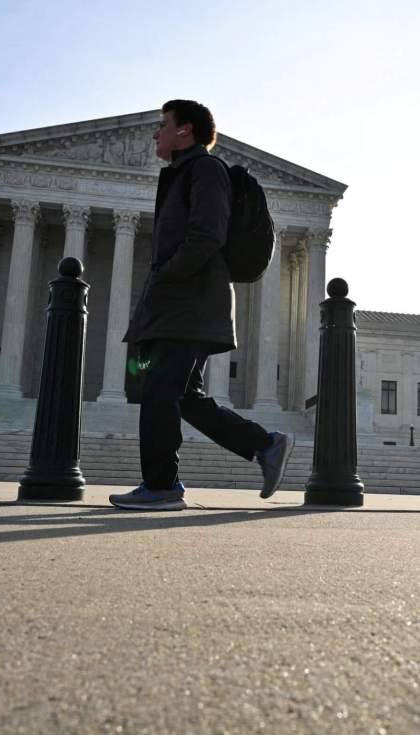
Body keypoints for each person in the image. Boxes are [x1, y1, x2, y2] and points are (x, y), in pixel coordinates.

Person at [109, 100, 293, 511]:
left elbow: (206, 236)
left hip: (187, 304)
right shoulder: (181, 175)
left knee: (159, 390)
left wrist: (165, 275)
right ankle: (266, 445)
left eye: (162, 125)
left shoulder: (204, 170)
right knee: (185, 396)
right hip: (183, 304)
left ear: (185, 131)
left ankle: (161, 486)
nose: (156, 134)